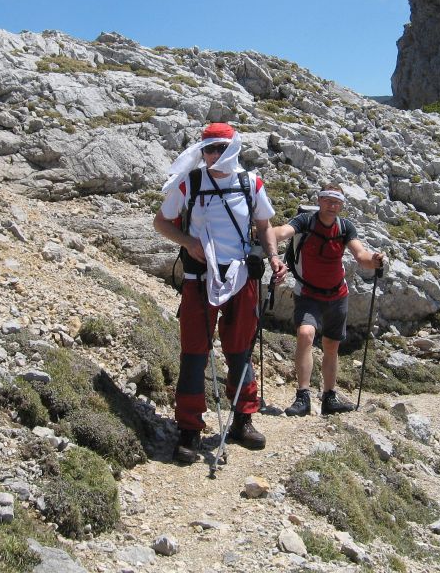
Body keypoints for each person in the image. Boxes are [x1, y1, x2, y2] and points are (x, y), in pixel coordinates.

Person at [153, 122, 286, 464]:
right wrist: (188, 243)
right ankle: (189, 429)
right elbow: (161, 222)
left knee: (240, 347)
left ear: (231, 149)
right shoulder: (190, 182)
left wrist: (273, 258)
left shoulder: (250, 183)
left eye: (217, 149)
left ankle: (243, 418)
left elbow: (264, 225)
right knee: (195, 351)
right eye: (207, 149)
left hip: (243, 274)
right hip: (200, 276)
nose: (210, 155)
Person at [273, 184, 384, 416]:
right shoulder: (305, 221)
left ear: (342, 205)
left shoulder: (345, 227)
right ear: (319, 200)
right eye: (328, 200)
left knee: (331, 345)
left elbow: (360, 255)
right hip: (308, 293)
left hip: (337, 294)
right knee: (305, 334)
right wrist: (263, 234)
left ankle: (329, 397)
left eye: (337, 202)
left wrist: (372, 260)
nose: (332, 206)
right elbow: (283, 232)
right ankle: (303, 395)